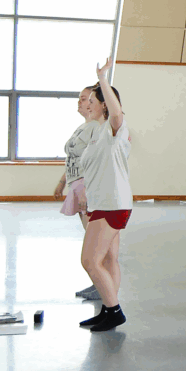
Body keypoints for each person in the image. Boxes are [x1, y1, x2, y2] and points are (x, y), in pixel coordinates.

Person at [77, 58, 133, 332]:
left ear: (104, 104)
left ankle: (114, 311)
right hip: (102, 202)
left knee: (89, 260)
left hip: (113, 204)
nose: (87, 103)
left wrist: (102, 78)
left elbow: (117, 112)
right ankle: (107, 308)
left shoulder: (116, 129)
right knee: (108, 259)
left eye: (92, 100)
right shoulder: (97, 132)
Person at [55, 85, 99, 300]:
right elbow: (72, 159)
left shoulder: (96, 128)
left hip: (86, 186)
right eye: (80, 98)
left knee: (95, 239)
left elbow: (91, 162)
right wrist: (62, 182)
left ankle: (101, 284)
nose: (80, 102)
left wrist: (84, 191)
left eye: (84, 98)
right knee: (90, 236)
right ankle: (97, 283)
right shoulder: (82, 127)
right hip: (76, 184)